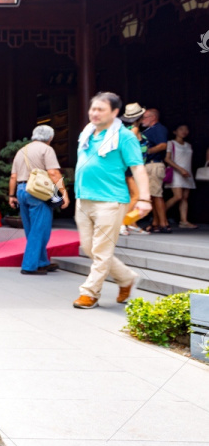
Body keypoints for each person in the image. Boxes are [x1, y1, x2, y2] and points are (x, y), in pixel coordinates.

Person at [73, 92, 152, 309]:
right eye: (93, 109)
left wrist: (144, 198)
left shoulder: (124, 136)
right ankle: (126, 278)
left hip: (111, 201)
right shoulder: (87, 133)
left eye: (101, 109)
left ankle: (90, 293)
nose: (94, 113)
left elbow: (137, 168)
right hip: (84, 200)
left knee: (101, 250)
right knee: (89, 248)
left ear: (115, 112)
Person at [8, 125, 69, 275]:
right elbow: (54, 173)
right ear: (50, 138)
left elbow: (13, 177)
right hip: (38, 191)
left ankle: (42, 262)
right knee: (40, 229)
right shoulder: (46, 149)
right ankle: (29, 266)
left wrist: (11, 195)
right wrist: (64, 193)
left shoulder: (21, 151)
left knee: (32, 230)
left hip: (21, 190)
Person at [119, 103, 149, 235]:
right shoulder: (133, 130)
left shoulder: (131, 129)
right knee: (136, 196)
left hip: (133, 168)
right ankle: (122, 223)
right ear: (140, 117)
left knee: (132, 196)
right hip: (131, 169)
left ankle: (131, 223)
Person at [141, 108, 171, 233]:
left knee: (157, 195)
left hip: (154, 164)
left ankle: (164, 223)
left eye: (145, 117)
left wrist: (147, 151)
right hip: (149, 165)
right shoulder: (149, 130)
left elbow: (163, 145)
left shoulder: (158, 129)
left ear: (153, 117)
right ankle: (155, 222)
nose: (143, 120)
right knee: (152, 195)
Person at [165, 124, 197, 228]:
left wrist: (185, 170)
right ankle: (159, 214)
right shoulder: (171, 143)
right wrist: (180, 169)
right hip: (176, 172)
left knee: (185, 198)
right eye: (181, 129)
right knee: (178, 196)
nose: (184, 131)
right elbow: (167, 159)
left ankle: (184, 221)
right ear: (175, 131)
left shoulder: (188, 145)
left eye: (186, 129)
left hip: (187, 173)